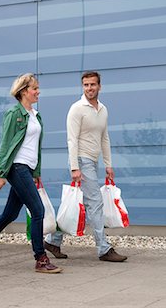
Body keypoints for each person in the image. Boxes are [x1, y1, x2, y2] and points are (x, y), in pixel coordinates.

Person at [0, 73, 62, 274]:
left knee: (10, 213)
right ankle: (40, 258)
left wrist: (36, 172)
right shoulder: (14, 113)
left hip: (27, 169)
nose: (38, 92)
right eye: (34, 88)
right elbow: (5, 144)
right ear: (23, 91)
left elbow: (35, 147)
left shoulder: (36, 115)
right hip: (16, 167)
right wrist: (1, 172)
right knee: (38, 211)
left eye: (38, 88)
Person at [45, 71, 127, 262]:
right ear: (83, 87)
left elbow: (104, 138)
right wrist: (74, 167)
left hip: (93, 161)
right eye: (86, 85)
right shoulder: (77, 109)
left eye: (92, 84)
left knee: (74, 203)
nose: (89, 88)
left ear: (99, 86)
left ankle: (53, 241)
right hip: (81, 160)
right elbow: (71, 140)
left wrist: (108, 164)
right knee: (95, 203)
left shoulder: (103, 109)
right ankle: (104, 249)